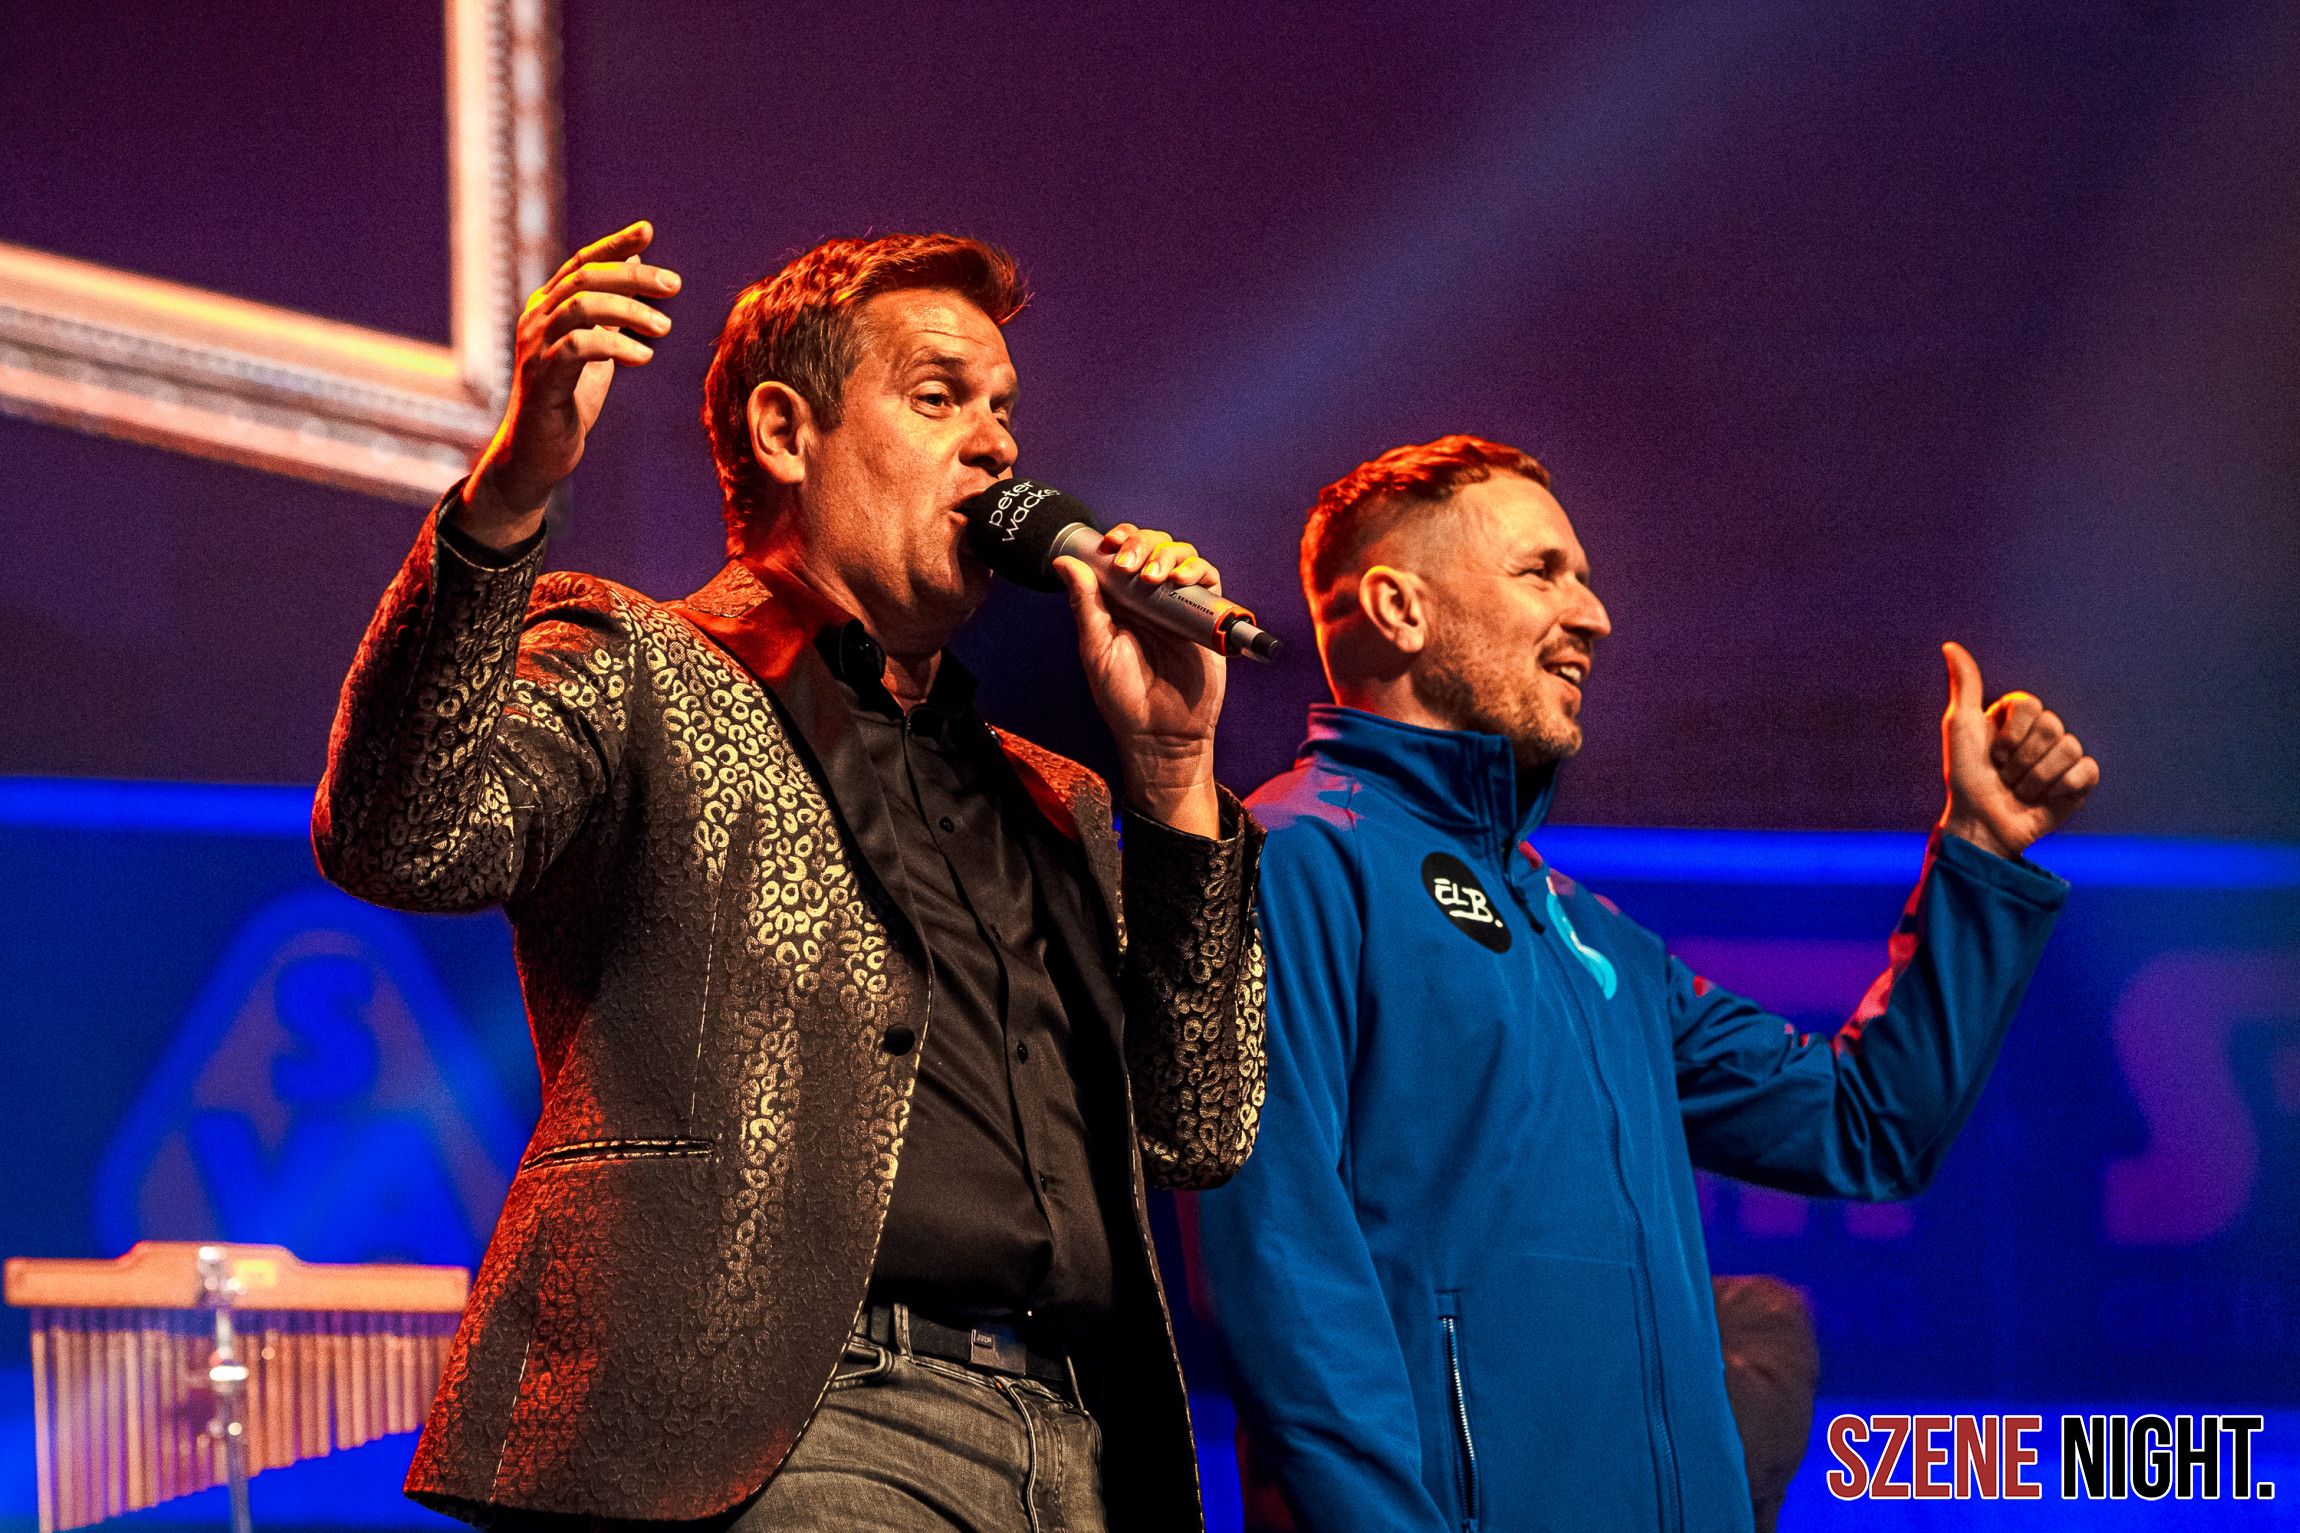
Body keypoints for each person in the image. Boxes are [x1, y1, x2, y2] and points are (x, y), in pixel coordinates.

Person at [315, 222, 1267, 1533]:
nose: (995, 445)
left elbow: (1197, 1129)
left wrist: (1171, 769)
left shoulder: (1066, 798)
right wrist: (507, 496)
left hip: (1074, 1444)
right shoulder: (639, 662)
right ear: (783, 432)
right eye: (938, 396)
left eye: (1001, 410)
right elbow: (403, 837)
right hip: (788, 1422)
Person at [1186, 435, 2098, 1533]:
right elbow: (1282, 1269)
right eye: (1542, 572)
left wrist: (1979, 857)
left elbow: (1865, 1125)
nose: (1594, 615)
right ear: (1398, 608)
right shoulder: (1289, 860)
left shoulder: (1588, 933)